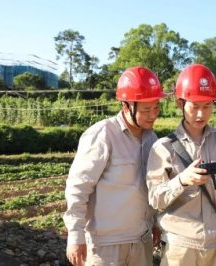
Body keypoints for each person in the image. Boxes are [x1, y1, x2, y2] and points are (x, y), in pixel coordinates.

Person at [63, 66, 166, 266]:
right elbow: (78, 187)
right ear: (126, 107)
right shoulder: (102, 135)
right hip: (105, 247)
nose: (153, 115)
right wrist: (75, 235)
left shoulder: (152, 138)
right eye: (146, 109)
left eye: (156, 107)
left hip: (141, 242)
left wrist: (153, 222)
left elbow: (149, 186)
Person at [146, 64, 216, 266]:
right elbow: (155, 199)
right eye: (194, 106)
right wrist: (182, 180)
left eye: (207, 106)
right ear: (180, 103)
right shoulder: (163, 147)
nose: (201, 114)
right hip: (181, 247)